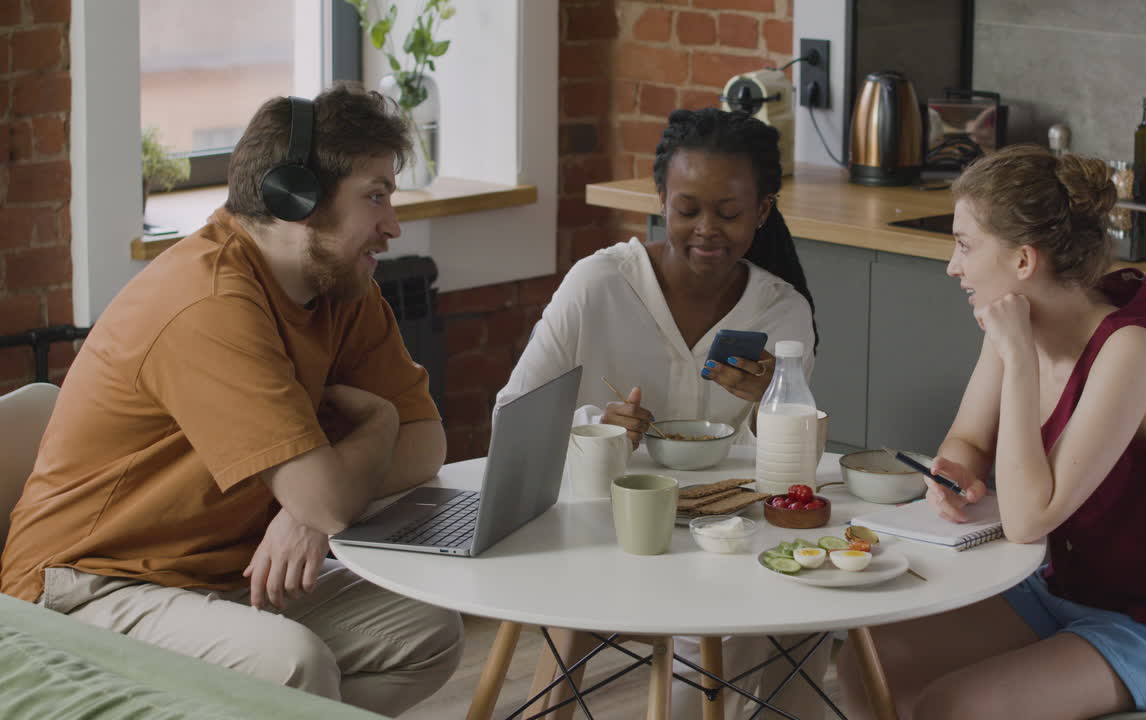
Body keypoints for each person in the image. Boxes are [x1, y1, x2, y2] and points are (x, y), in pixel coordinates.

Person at [0, 85, 464, 717]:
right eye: (375, 195)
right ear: (295, 196)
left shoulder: (341, 289)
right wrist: (373, 430)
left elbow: (428, 440)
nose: (392, 224)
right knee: (293, 665)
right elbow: (350, 476)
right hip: (89, 585)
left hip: (220, 575)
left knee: (425, 633)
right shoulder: (210, 301)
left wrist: (306, 510)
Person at [837, 145, 1146, 719]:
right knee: (864, 659)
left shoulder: (1129, 351)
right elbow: (968, 440)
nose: (952, 265)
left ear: (1024, 262)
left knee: (954, 708)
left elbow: (1031, 516)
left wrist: (1019, 360)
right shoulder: (1015, 321)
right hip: (1061, 587)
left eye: (964, 245)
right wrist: (954, 469)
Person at [497, 107, 829, 719]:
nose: (707, 229)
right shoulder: (597, 285)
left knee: (813, 615)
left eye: (729, 214)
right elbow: (511, 414)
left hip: (727, 531)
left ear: (762, 212)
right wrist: (595, 425)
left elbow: (790, 464)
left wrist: (768, 403)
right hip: (602, 527)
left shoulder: (781, 311)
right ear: (660, 200)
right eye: (687, 209)